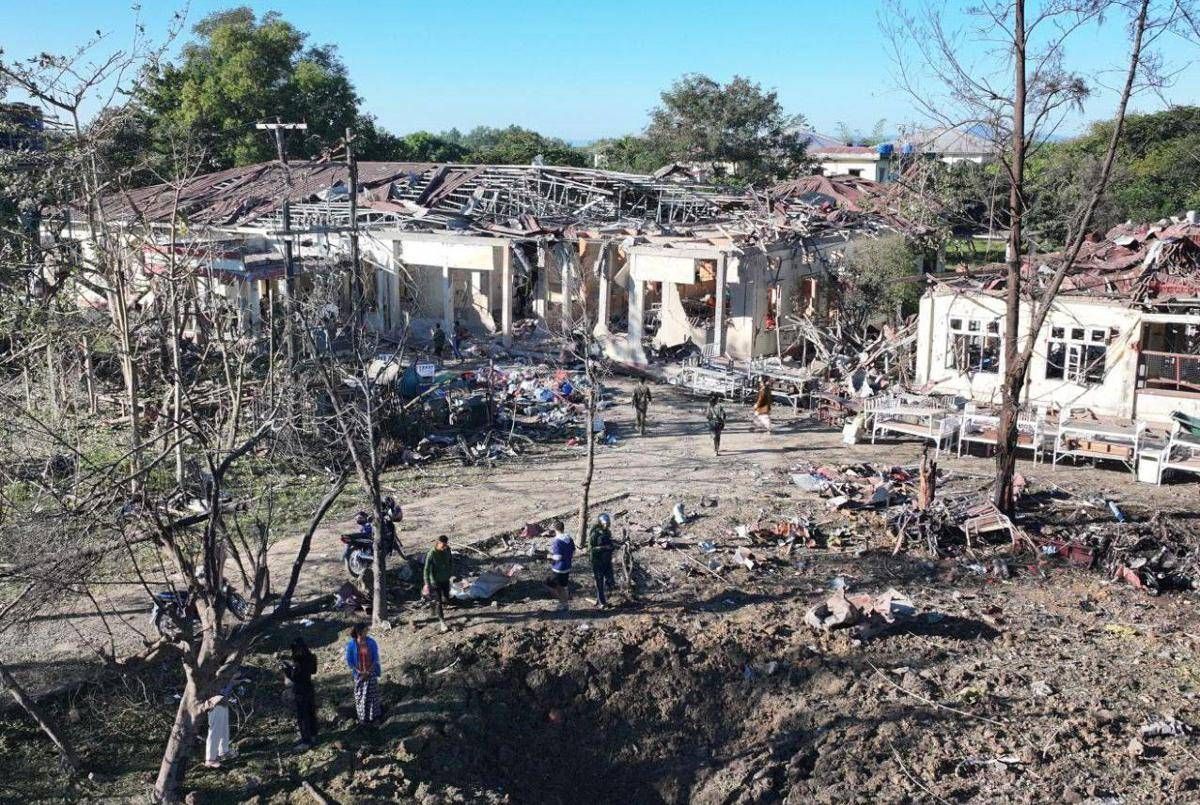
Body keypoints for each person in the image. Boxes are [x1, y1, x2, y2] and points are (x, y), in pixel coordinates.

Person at [283, 637, 318, 749]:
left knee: (302, 716)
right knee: (311, 712)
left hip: (300, 690)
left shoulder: (298, 661)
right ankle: (313, 735)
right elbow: (313, 671)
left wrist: (286, 670)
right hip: (309, 687)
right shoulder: (311, 657)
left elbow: (295, 677)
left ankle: (306, 741)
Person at [344, 623, 381, 724]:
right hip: (359, 675)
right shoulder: (351, 645)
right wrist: (359, 672)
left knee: (373, 697)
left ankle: (375, 717)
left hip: (371, 673)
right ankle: (363, 719)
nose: (367, 632)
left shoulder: (371, 642)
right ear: (359, 632)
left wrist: (369, 671)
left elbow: (375, 658)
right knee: (360, 696)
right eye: (365, 630)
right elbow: (350, 661)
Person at [423, 535, 453, 632]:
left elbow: (450, 561)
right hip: (435, 581)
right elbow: (426, 569)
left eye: (446, 545)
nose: (444, 547)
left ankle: (433, 603)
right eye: (443, 545)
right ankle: (442, 622)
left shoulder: (447, 550)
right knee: (438, 602)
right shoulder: (431, 554)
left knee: (446, 597)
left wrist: (451, 573)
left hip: (445, 579)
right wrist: (427, 583)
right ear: (438, 543)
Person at [545, 520, 575, 612]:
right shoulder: (569, 538)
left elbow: (558, 557)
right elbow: (573, 551)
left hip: (559, 568)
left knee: (549, 584)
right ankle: (564, 603)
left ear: (555, 529)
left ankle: (563, 602)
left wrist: (549, 556)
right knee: (563, 586)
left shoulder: (557, 541)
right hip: (567, 566)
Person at [204, 681, 236, 767]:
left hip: (223, 703)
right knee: (215, 731)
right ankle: (210, 759)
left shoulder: (228, 678)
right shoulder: (217, 678)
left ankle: (223, 751)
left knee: (224, 730)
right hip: (215, 702)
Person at [589, 513, 616, 608]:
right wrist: (603, 548)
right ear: (601, 523)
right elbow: (591, 549)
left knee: (610, 581)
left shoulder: (607, 532)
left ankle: (604, 598)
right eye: (605, 523)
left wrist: (612, 546)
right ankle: (601, 602)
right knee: (599, 582)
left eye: (608, 523)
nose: (607, 525)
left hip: (607, 560)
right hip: (597, 561)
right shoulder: (595, 533)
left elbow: (610, 543)